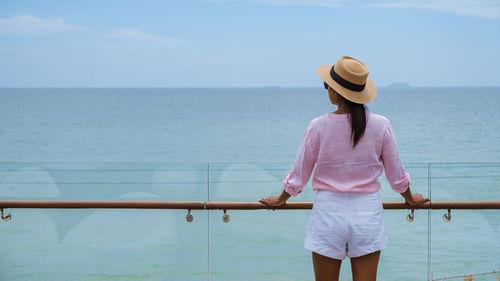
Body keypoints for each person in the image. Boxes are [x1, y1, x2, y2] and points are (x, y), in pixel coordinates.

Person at [259, 56, 429, 281]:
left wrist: (281, 199)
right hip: (367, 214)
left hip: (328, 214)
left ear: (336, 92)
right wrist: (409, 198)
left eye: (328, 85)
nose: (327, 89)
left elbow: (299, 177)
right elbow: (396, 177)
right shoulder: (381, 125)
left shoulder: (317, 126)